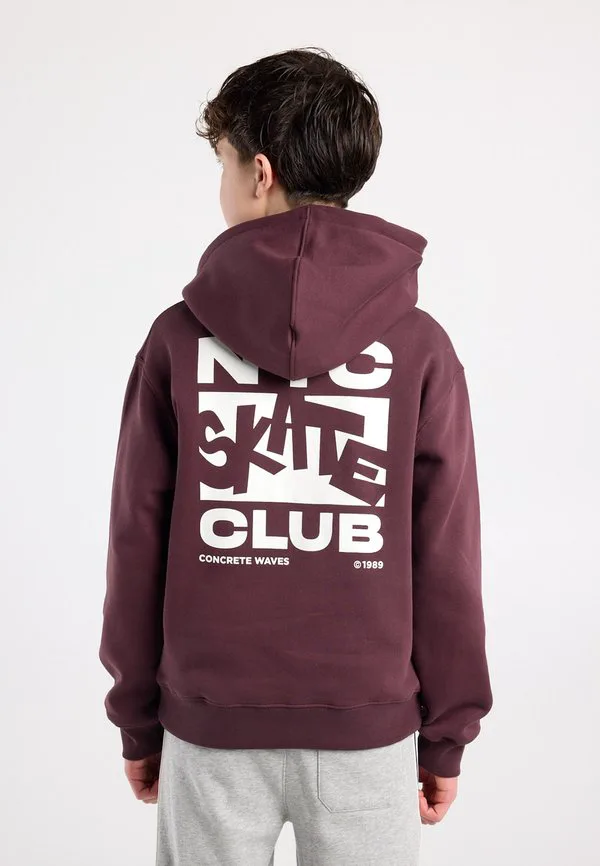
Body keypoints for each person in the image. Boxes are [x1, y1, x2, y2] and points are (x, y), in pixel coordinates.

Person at [98, 46, 493, 865]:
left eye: (222, 161)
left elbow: (137, 540)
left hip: (211, 728)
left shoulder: (177, 341)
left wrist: (138, 717)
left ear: (259, 174)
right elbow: (447, 555)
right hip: (367, 730)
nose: (221, 184)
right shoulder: (419, 347)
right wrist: (446, 733)